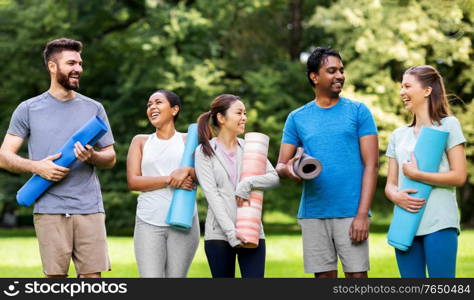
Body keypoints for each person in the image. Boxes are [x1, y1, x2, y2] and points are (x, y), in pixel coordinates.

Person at [0, 38, 116, 278]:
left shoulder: (94, 108)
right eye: (71, 63)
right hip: (49, 208)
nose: (79, 69)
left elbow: (111, 157)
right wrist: (37, 167)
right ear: (52, 67)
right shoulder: (28, 109)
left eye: (80, 63)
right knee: (55, 280)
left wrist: (92, 156)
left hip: (89, 208)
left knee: (92, 279)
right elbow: (4, 156)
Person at [276, 47, 379, 278]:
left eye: (341, 70)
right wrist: (291, 170)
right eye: (332, 71)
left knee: (357, 277)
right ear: (314, 76)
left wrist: (362, 215)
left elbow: (372, 165)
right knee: (323, 279)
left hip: (351, 212)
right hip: (314, 212)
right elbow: (280, 165)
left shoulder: (359, 112)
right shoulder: (297, 117)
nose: (340, 75)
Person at [385, 65, 467, 278]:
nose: (402, 92)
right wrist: (396, 196)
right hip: (406, 223)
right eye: (401, 87)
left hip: (439, 222)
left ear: (427, 90)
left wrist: (417, 175)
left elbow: (459, 176)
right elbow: (391, 184)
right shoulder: (398, 135)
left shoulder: (448, 125)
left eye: (407, 86)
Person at [195, 94, 279, 278]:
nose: (244, 118)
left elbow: (274, 177)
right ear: (221, 117)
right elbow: (212, 195)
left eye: (245, 113)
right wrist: (231, 233)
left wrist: (248, 183)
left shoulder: (251, 147)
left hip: (252, 229)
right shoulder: (204, 152)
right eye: (239, 113)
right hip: (219, 234)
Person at [126, 90, 200, 278]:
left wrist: (188, 172)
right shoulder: (140, 141)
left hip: (184, 219)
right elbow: (134, 181)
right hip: (148, 220)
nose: (152, 107)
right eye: (149, 104)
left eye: (158, 102)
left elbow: (204, 175)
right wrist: (170, 179)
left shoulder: (189, 140)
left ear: (174, 109)